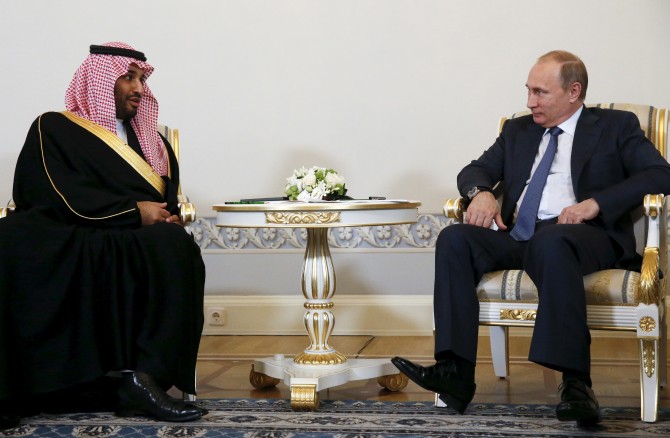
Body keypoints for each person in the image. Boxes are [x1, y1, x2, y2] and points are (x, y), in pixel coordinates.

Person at [392, 50, 670, 426]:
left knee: (553, 240)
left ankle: (576, 384)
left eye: (540, 92)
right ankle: (455, 372)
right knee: (455, 238)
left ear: (574, 91)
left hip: (585, 237)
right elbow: (475, 169)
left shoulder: (616, 126)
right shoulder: (518, 130)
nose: (529, 101)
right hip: (520, 237)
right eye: (528, 90)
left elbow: (660, 174)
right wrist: (482, 193)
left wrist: (595, 204)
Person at [0, 42, 207, 430]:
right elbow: (48, 191)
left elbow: (167, 198)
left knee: (175, 245)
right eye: (128, 78)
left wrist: (168, 218)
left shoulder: (154, 144)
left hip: (131, 238)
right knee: (10, 240)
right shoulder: (54, 127)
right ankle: (16, 387)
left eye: (142, 79)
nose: (138, 88)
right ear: (99, 81)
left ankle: (142, 381)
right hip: (68, 230)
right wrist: (133, 211)